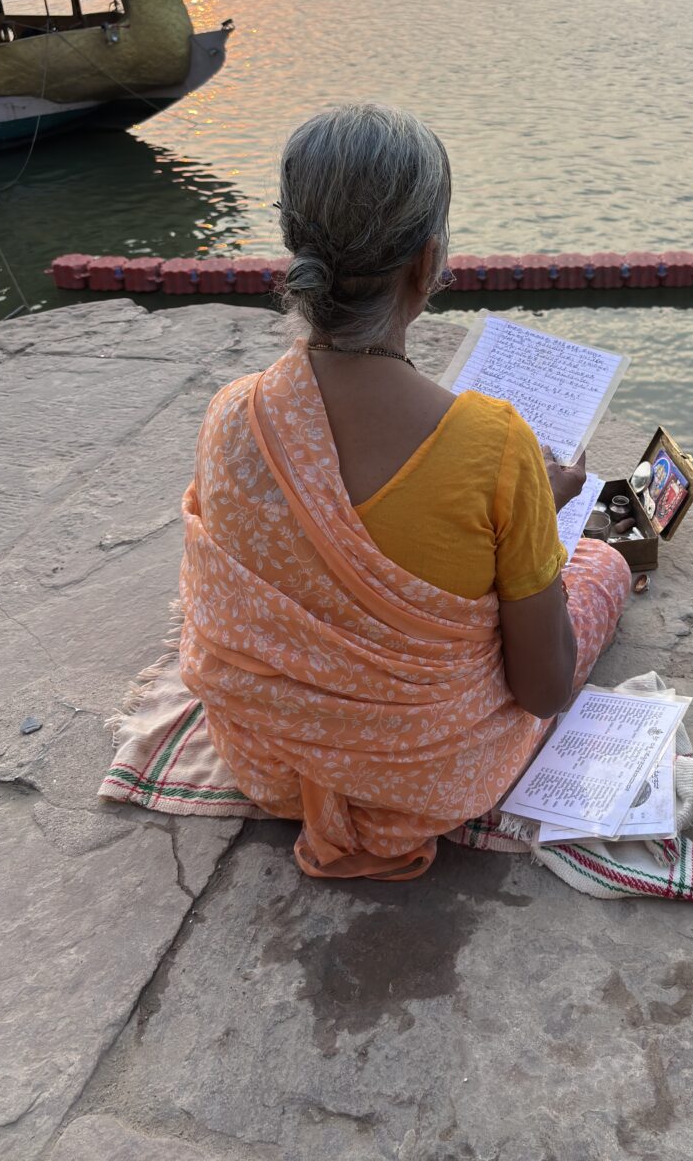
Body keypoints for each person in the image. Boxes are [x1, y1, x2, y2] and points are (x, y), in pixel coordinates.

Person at [178, 104, 632, 882]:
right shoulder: (495, 446)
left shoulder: (234, 414)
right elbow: (544, 689)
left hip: (266, 760)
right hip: (425, 781)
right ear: (426, 264)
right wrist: (537, 524)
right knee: (602, 567)